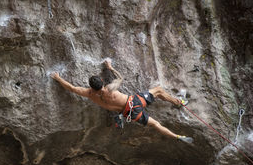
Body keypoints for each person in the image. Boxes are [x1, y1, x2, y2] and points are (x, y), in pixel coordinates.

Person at [50, 60, 193, 143]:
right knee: (159, 90)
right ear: (101, 82)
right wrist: (111, 68)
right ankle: (178, 103)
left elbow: (71, 88)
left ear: (91, 87)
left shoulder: (88, 94)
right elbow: (121, 78)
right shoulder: (110, 89)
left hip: (129, 114)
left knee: (156, 124)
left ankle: (176, 136)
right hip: (135, 102)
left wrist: (57, 78)